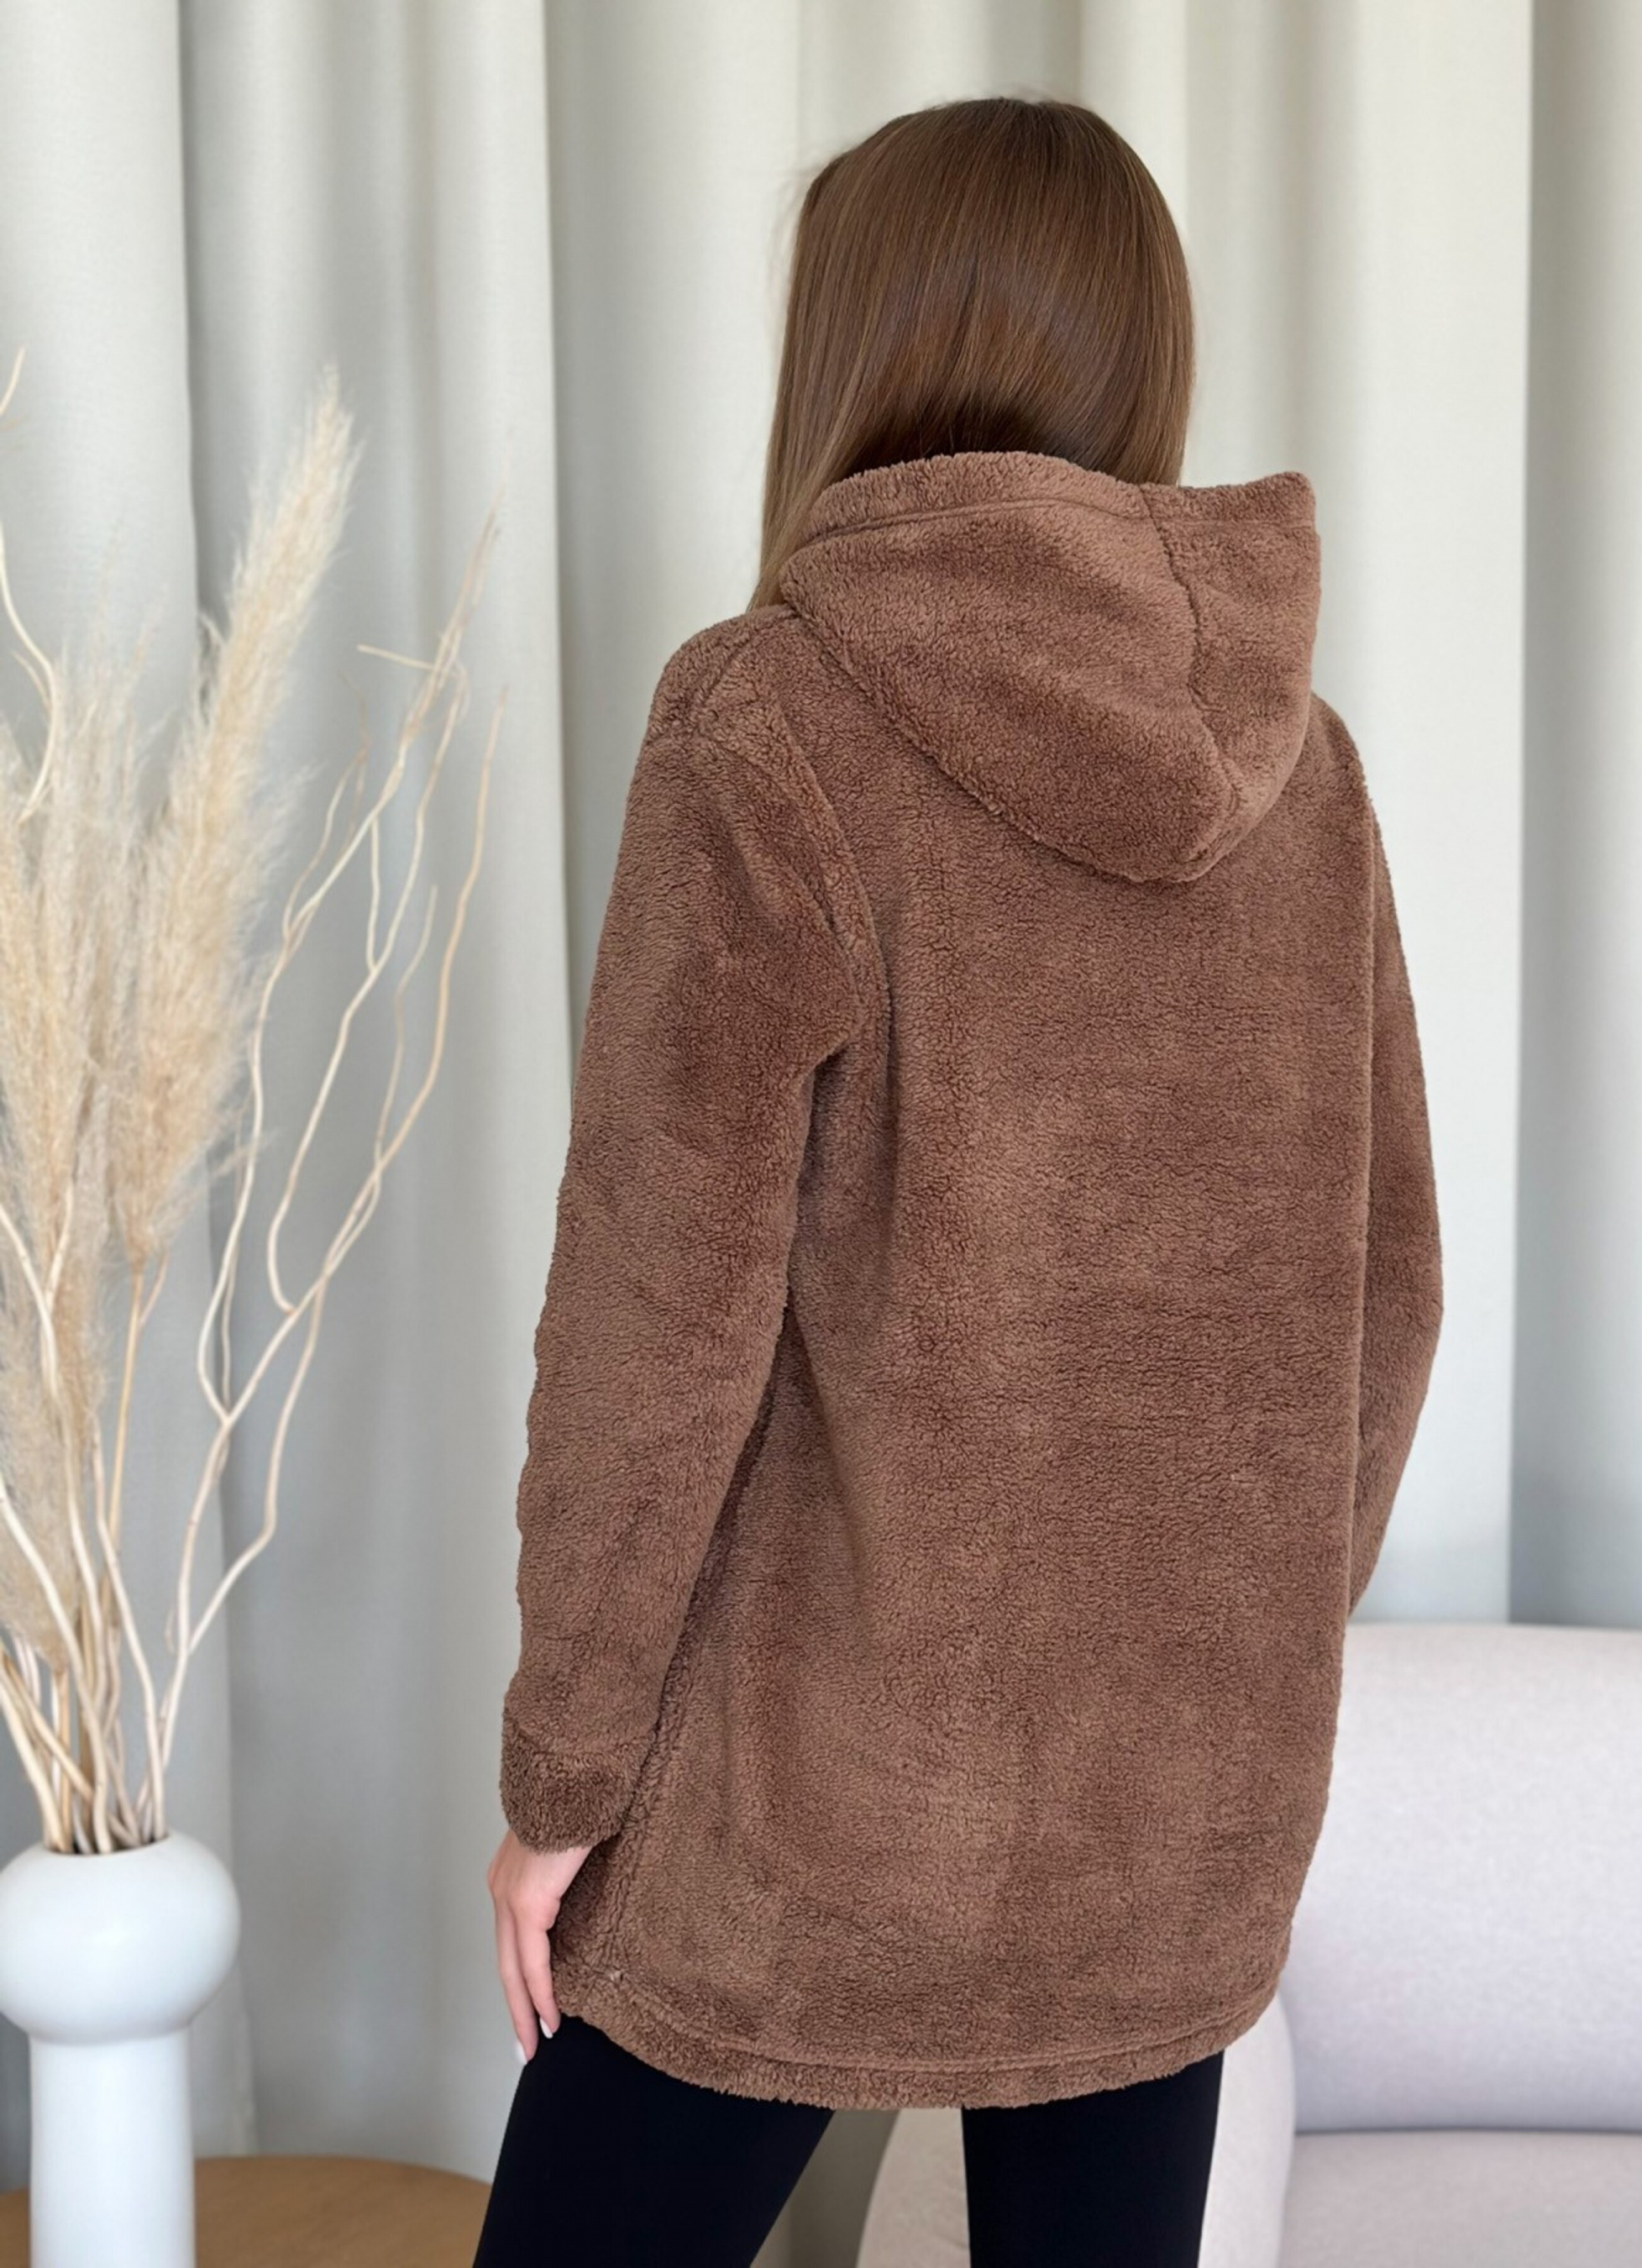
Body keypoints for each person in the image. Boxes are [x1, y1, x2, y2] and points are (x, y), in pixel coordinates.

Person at [474, 92, 1444, 2268]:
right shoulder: (1306, 772)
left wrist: (561, 1782)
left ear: (859, 342)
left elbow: (652, 1323)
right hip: (1165, 1816)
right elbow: (1389, 1304)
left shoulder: (766, 717)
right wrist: (1224, 1653)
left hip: (808, 1809)